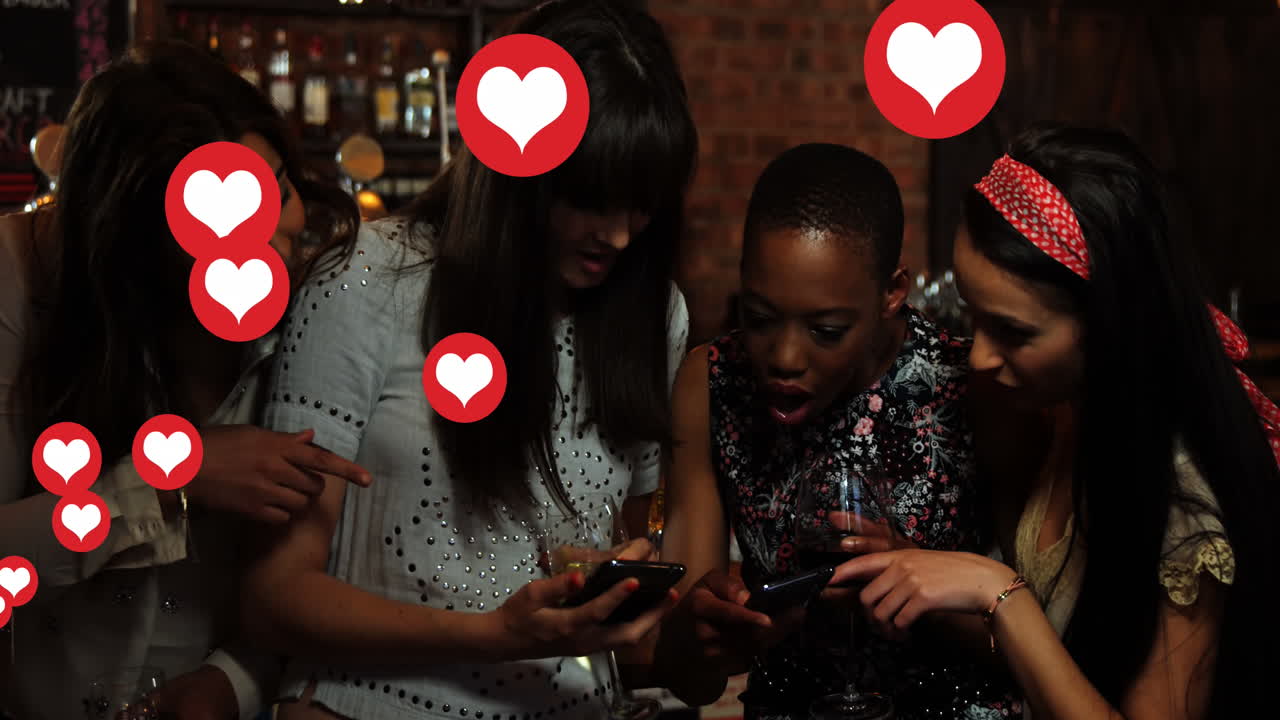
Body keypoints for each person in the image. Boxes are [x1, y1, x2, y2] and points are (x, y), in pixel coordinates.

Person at [239, 1, 697, 718]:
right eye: (588, 198)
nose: (616, 234)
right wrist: (493, 634)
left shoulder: (651, 311)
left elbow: (634, 545)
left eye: (641, 206)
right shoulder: (368, 278)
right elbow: (272, 597)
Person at [833, 126, 1280, 719]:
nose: (980, 357)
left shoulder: (1182, 503)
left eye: (1013, 331)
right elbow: (1060, 660)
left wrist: (996, 591)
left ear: (1111, 324)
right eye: (973, 316)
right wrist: (930, 579)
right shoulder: (1072, 414)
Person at [0, 41, 369, 720]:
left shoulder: (320, 311)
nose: (272, 238)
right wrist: (166, 478)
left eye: (278, 190)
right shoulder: (22, 288)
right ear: (130, 236)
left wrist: (233, 681)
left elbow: (335, 577)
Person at [656, 144, 1020, 719]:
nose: (784, 357)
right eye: (758, 317)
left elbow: (1053, 647)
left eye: (825, 330)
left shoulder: (974, 388)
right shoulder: (711, 385)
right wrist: (699, 636)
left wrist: (920, 586)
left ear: (892, 293)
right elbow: (688, 680)